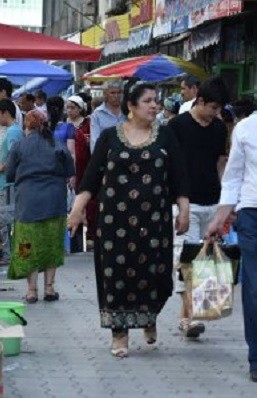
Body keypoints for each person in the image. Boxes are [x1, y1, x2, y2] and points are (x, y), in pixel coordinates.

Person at [67, 81, 190, 358]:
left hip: (154, 222)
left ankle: (148, 317)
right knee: (115, 274)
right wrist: (76, 210)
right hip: (114, 222)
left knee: (155, 274)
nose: (154, 106)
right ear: (131, 106)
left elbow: (179, 176)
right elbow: (91, 178)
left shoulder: (166, 136)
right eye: (147, 101)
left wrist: (183, 210)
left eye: (155, 101)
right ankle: (119, 334)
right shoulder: (110, 136)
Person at [168, 76, 229, 338]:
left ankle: (187, 317)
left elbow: (221, 163)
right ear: (199, 101)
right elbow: (169, 165)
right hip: (184, 203)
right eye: (213, 108)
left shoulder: (218, 129)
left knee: (206, 262)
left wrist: (226, 201)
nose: (215, 114)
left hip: (212, 202)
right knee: (187, 258)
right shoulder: (177, 126)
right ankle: (190, 317)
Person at [205, 111, 257, 383]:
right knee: (254, 287)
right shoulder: (246, 129)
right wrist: (219, 217)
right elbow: (234, 175)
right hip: (252, 214)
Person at [6, 109, 75, 303]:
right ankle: (49, 289)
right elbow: (70, 169)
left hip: (28, 203)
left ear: (27, 125)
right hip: (54, 201)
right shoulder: (57, 143)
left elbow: (10, 174)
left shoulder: (20, 145)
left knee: (27, 245)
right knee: (52, 243)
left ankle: (31, 291)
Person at [0, 99, 24, 267]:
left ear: (6, 113)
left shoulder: (12, 132)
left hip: (7, 183)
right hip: (7, 182)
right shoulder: (15, 131)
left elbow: (14, 154)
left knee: (6, 220)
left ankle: (9, 255)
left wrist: (2, 166)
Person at [66, 95, 96, 249]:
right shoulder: (65, 126)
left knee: (89, 202)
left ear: (80, 109)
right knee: (72, 204)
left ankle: (91, 235)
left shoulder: (88, 124)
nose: (69, 111)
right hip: (72, 171)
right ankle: (74, 239)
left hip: (87, 168)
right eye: (68, 108)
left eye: (73, 108)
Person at [90, 80, 125, 153]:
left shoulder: (127, 111)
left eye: (119, 92)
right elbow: (95, 140)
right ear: (105, 94)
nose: (116, 96)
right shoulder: (97, 114)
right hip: (107, 157)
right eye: (112, 93)